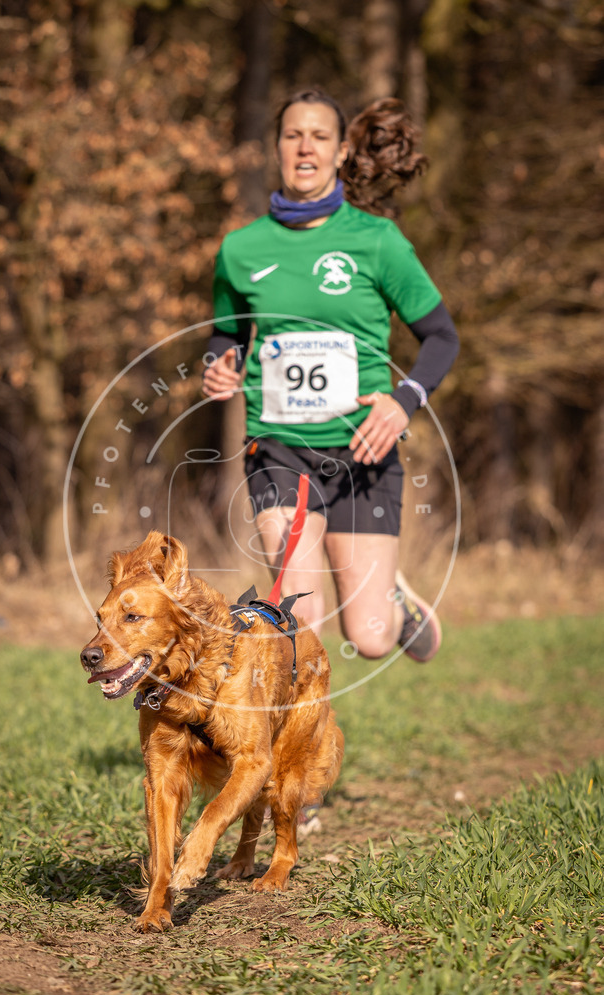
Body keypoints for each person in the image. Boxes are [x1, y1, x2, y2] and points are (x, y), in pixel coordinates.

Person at [202, 89, 459, 665]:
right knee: (300, 619)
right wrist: (217, 366)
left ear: (342, 151)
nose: (305, 147)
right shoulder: (241, 249)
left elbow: (442, 337)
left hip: (363, 446)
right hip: (276, 446)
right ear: (276, 147)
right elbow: (226, 336)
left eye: (319, 136)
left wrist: (403, 401)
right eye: (293, 135)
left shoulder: (378, 241)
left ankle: (390, 595)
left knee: (368, 637)